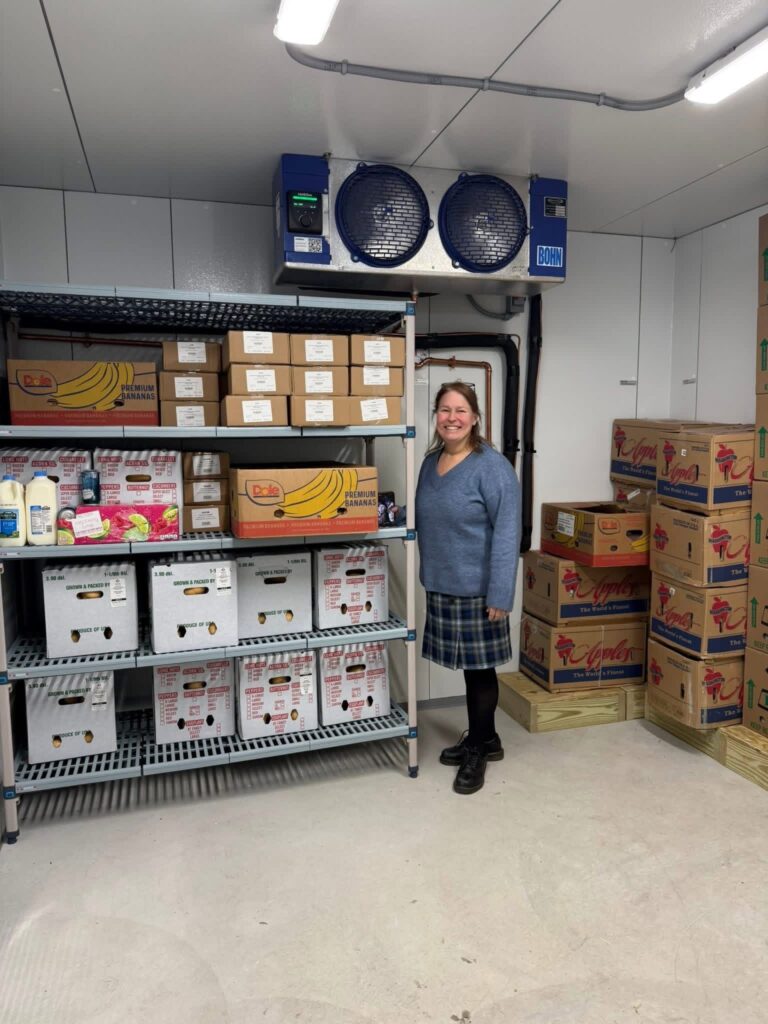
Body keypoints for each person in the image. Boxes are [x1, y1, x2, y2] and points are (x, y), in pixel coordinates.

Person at [415, 381, 521, 795]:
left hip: (479, 590)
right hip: (442, 585)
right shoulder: (430, 462)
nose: (452, 418)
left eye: (460, 410)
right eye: (444, 410)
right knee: (467, 667)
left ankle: (479, 747)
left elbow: (508, 532)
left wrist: (500, 593)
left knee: (480, 671)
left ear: (475, 417)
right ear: (437, 417)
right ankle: (487, 736)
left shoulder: (492, 467)